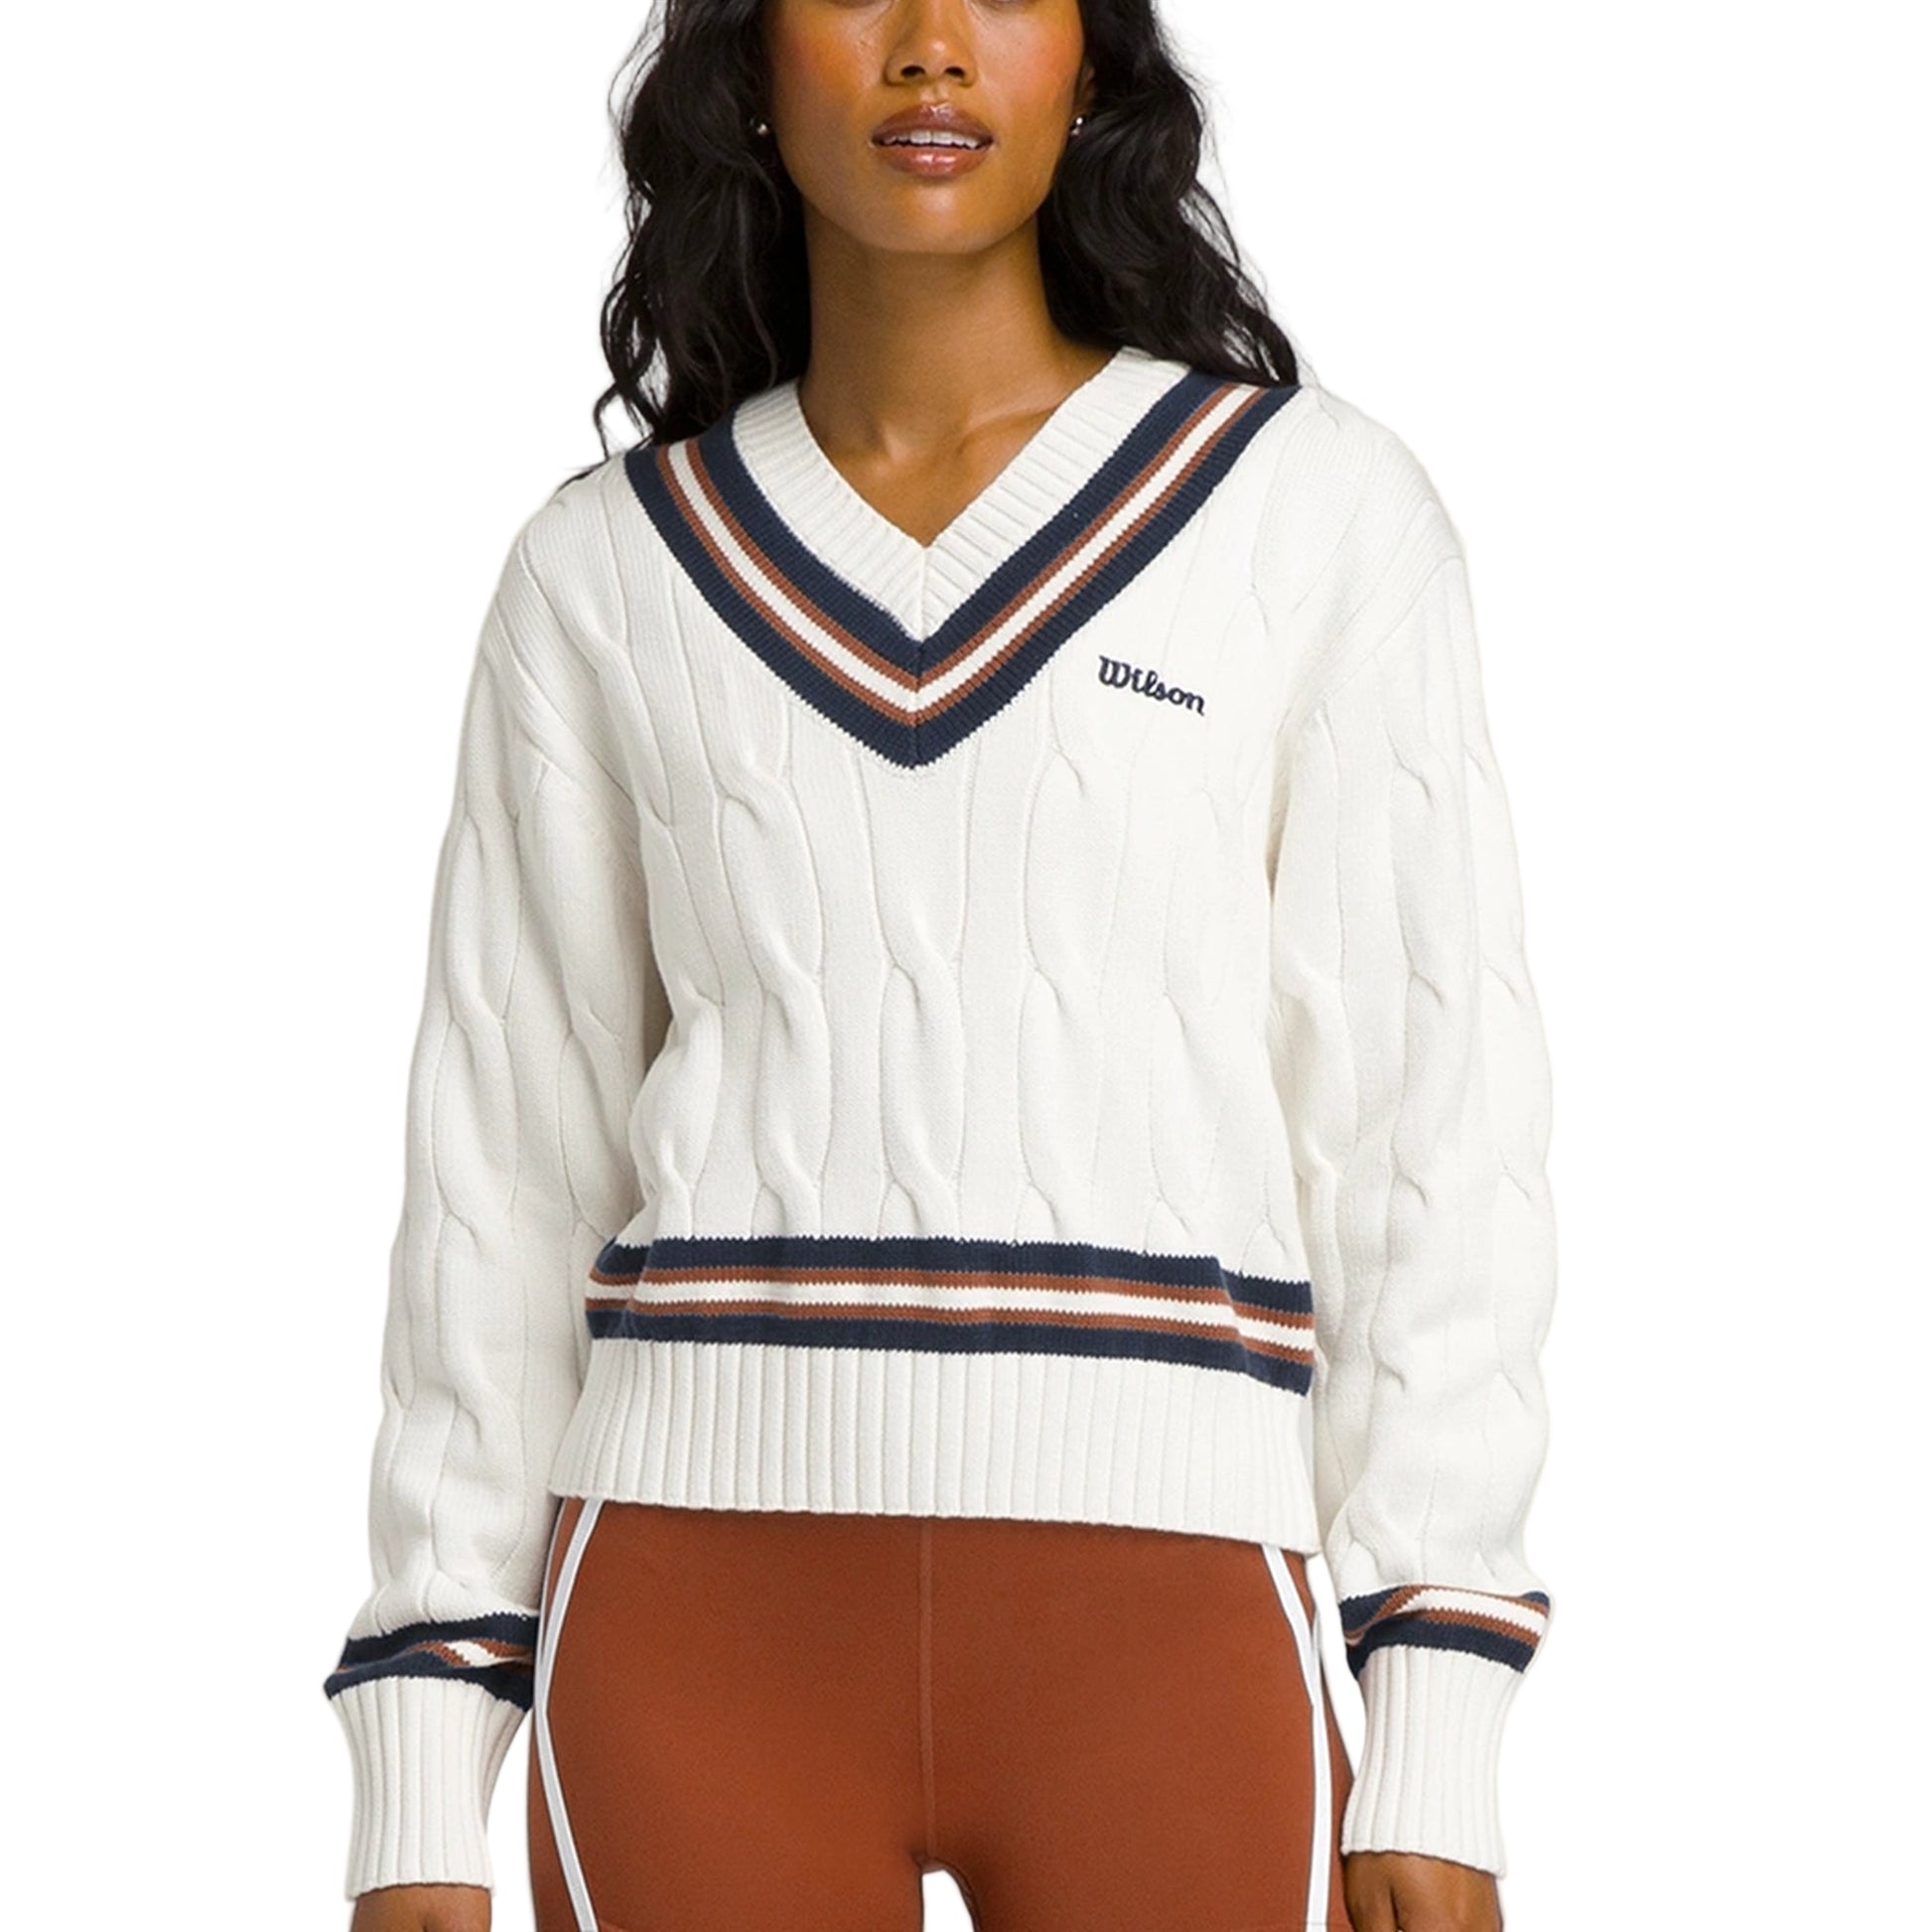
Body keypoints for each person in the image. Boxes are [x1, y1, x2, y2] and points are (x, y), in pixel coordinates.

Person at [321, 2, 1558, 1928]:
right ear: (746, 63)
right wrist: (422, 1744)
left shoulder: (1312, 516)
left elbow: (1423, 1134)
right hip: (689, 1635)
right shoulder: (605, 572)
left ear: (1092, 62)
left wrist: (1436, 1702)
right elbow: (502, 1172)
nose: (928, 46)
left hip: (1170, 1628)